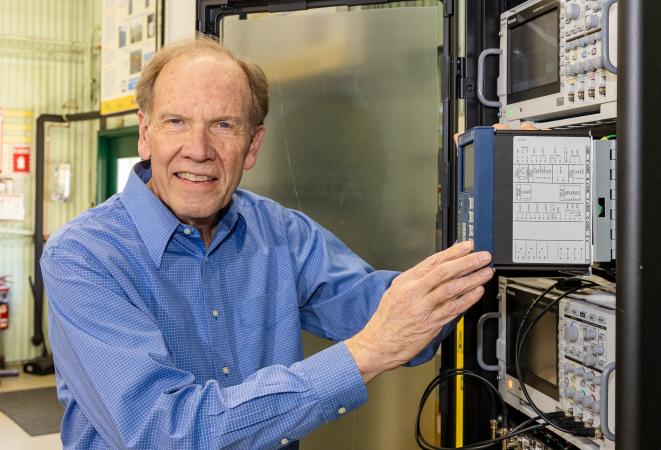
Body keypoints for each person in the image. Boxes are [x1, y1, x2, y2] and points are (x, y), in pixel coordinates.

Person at [41, 37, 494, 449]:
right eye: (176, 121)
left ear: (253, 145)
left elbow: (394, 319)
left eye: (222, 125)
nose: (198, 149)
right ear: (145, 133)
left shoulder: (280, 233)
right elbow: (163, 433)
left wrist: (501, 187)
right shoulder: (84, 257)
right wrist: (365, 354)